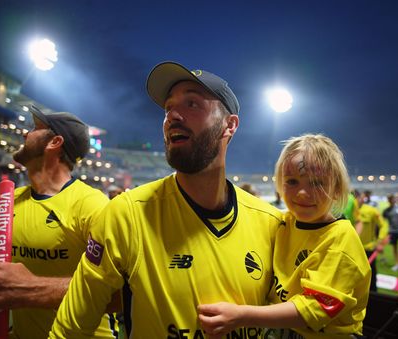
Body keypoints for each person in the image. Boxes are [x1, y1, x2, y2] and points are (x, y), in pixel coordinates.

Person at [49, 61, 283, 338]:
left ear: (229, 125)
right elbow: (71, 328)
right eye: (168, 107)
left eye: (192, 104)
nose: (172, 115)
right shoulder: (127, 215)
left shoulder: (271, 223)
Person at [0, 107, 118, 339]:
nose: (24, 134)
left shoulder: (92, 205)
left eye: (35, 129)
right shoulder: (6, 203)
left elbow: (120, 291)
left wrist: (32, 288)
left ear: (54, 142)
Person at [198, 134, 371, 338]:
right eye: (292, 181)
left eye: (317, 183)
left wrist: (242, 315)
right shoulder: (281, 222)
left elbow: (313, 310)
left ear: (337, 189)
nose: (302, 193)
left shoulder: (340, 240)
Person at [355, 190, 388, 291]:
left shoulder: (371, 210)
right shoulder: (345, 211)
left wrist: (380, 241)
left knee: (371, 280)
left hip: (368, 249)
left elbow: (384, 225)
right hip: (351, 250)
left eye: (357, 197)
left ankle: (374, 299)